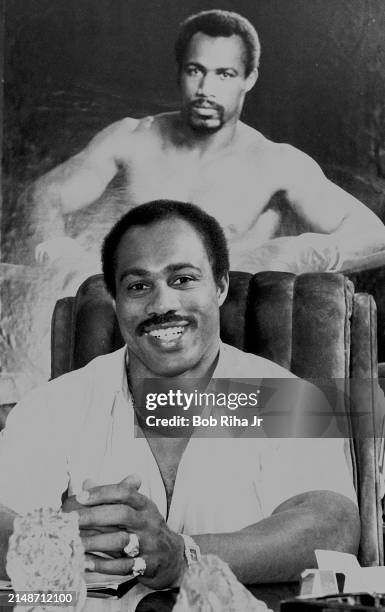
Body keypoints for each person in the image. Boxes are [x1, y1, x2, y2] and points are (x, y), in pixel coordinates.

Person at [0, 200, 359, 588]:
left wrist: (183, 556)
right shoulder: (57, 405)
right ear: (116, 300)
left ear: (219, 286)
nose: (162, 305)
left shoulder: (288, 400)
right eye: (138, 286)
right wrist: (57, 546)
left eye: (183, 279)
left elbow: (332, 525)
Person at [24, 9, 385, 274]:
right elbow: (44, 196)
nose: (205, 90)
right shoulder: (131, 139)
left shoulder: (275, 163)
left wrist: (295, 253)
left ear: (249, 79)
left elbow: (374, 236)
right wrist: (57, 251)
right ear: (180, 72)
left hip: (228, 332)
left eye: (224, 74)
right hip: (134, 320)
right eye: (195, 71)